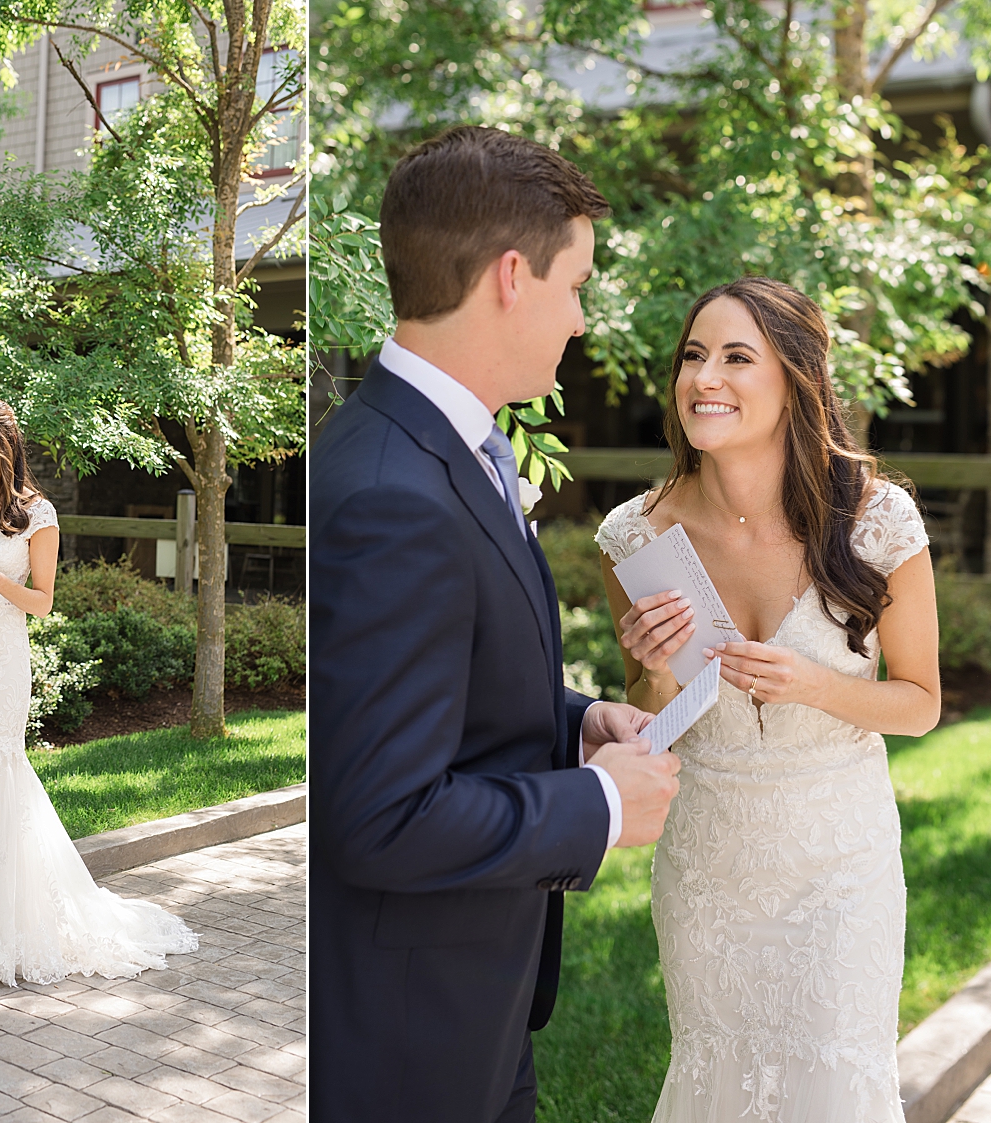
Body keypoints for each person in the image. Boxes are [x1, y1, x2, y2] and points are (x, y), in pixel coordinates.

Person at [310, 126, 683, 1123]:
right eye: (577, 285)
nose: (581, 318)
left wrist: (573, 722)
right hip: (407, 1043)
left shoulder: (440, 441)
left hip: (477, 1005)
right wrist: (597, 808)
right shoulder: (393, 489)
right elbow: (380, 815)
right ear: (513, 277)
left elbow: (425, 684)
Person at [596, 277, 940, 1122]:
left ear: (796, 378)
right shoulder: (634, 536)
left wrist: (815, 685)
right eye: (692, 356)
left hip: (840, 862)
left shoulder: (878, 520)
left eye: (736, 357)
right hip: (709, 864)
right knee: (717, 1075)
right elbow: (654, 718)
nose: (704, 376)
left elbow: (922, 701)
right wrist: (654, 674)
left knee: (832, 1080)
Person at [0, 397, 196, 985]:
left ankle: (5, 926)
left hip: (1, 658)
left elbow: (43, 601)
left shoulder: (38, 514)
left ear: (7, 446)